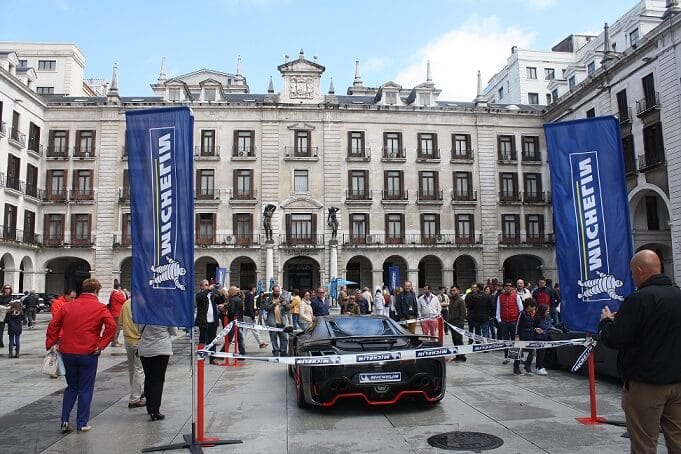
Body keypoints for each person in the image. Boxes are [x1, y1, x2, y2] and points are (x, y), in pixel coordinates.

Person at [599, 249, 681, 454]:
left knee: (644, 442)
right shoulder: (678, 294)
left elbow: (615, 338)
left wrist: (607, 322)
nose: (633, 277)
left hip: (646, 384)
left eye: (632, 272)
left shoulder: (639, 299)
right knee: (678, 438)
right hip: (677, 381)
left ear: (640, 270)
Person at [45, 278, 116, 433]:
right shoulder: (100, 308)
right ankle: (82, 422)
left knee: (71, 387)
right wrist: (101, 344)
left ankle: (64, 420)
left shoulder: (68, 306)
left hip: (68, 351)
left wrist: (51, 341)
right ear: (97, 291)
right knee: (85, 388)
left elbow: (54, 324)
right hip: (88, 352)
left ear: (82, 290)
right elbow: (112, 326)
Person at [138, 323, 176, 421]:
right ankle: (155, 411)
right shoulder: (165, 315)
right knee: (158, 380)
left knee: (148, 377)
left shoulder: (143, 313)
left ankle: (149, 407)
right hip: (161, 349)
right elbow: (174, 331)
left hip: (145, 349)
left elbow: (139, 329)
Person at [119, 298, 145, 408]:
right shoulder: (143, 303)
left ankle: (136, 390)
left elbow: (120, 322)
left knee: (131, 368)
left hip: (127, 339)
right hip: (138, 340)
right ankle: (135, 398)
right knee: (139, 369)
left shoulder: (126, 303)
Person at [496, 280, 524, 365]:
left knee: (516, 340)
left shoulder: (517, 296)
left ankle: (519, 356)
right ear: (504, 287)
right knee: (506, 340)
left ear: (512, 287)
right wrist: (499, 320)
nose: (508, 287)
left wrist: (519, 321)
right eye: (506, 285)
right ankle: (507, 356)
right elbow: (498, 309)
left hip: (514, 321)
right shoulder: (500, 297)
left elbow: (521, 309)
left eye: (510, 285)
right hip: (504, 322)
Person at [195, 280, 219, 365]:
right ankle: (202, 356)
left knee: (213, 340)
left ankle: (212, 358)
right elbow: (201, 297)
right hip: (204, 321)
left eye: (208, 285)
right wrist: (208, 290)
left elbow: (219, 300)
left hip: (213, 321)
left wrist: (221, 293)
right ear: (201, 287)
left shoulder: (211, 295)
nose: (208, 286)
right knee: (203, 340)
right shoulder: (200, 295)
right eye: (206, 285)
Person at [262, 286, 290, 356]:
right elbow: (266, 308)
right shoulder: (269, 299)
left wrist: (285, 305)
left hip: (282, 322)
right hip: (272, 322)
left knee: (284, 338)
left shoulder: (283, 299)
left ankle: (283, 351)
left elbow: (288, 308)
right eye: (276, 291)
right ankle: (276, 350)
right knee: (273, 338)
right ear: (273, 291)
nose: (277, 293)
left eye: (278, 291)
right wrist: (274, 304)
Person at [513, 297, 537, 375]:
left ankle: (528, 366)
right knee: (519, 352)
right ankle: (516, 368)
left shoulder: (532, 314)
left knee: (532, 351)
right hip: (522, 336)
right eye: (533, 306)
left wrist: (536, 329)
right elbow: (517, 325)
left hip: (530, 335)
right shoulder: (522, 313)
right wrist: (517, 335)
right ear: (529, 306)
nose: (534, 308)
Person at [447, 286, 467, 362]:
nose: (452, 292)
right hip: (452, 323)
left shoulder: (460, 301)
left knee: (459, 340)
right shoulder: (451, 300)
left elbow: (463, 313)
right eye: (451, 290)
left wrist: (460, 323)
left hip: (458, 324)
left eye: (454, 290)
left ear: (458, 291)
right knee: (454, 340)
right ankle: (457, 356)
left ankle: (462, 357)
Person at [226, 286, 246, 357]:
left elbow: (231, 311)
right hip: (239, 320)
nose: (228, 292)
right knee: (240, 338)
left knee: (229, 338)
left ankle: (223, 352)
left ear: (232, 292)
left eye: (229, 291)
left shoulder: (232, 300)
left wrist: (227, 315)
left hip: (234, 321)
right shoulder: (239, 299)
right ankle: (242, 353)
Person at [533, 304, 550, 376]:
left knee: (542, 354)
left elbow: (548, 327)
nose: (548, 312)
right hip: (539, 338)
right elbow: (533, 326)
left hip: (544, 337)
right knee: (540, 353)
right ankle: (539, 367)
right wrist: (536, 329)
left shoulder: (547, 318)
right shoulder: (537, 318)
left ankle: (539, 367)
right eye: (547, 311)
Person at [108, 282, 127, 346]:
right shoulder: (117, 294)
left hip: (115, 313)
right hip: (117, 313)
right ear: (119, 287)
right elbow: (124, 300)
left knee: (117, 328)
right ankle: (114, 342)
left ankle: (116, 341)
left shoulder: (113, 293)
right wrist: (124, 293)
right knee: (117, 328)